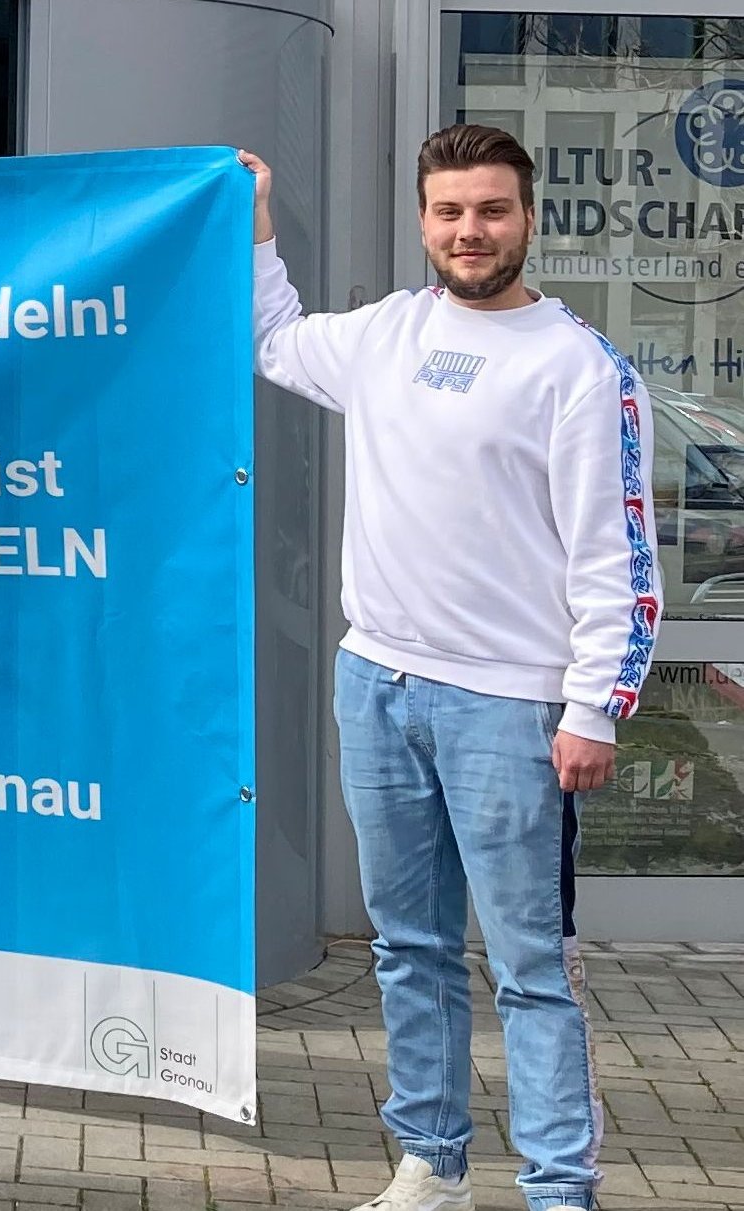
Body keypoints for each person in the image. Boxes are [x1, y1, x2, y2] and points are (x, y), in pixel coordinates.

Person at [244, 125, 656, 1211]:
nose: (466, 231)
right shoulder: (386, 333)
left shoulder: (578, 367)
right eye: (447, 212)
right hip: (373, 682)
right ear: (423, 221)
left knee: (527, 967)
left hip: (508, 705)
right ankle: (430, 1165)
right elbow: (273, 340)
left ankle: (558, 1187)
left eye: (488, 210)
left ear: (527, 218)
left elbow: (615, 558)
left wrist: (592, 710)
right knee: (407, 948)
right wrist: (252, 227)